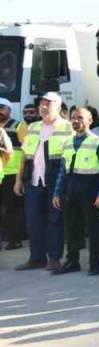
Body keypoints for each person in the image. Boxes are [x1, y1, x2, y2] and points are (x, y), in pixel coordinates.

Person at [13, 92, 72, 271]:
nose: (44, 107)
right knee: (33, 220)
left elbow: (69, 158)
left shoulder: (67, 127)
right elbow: (25, 155)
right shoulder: (33, 127)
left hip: (55, 180)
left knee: (54, 219)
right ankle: (36, 257)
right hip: (33, 180)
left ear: (58, 106)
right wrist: (18, 180)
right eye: (42, 104)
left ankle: (54, 258)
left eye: (48, 104)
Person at [51, 106, 99, 275]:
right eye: (74, 117)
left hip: (90, 189)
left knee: (93, 228)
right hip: (71, 188)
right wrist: (57, 192)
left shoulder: (98, 143)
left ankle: (94, 264)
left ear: (90, 121)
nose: (76, 120)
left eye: (80, 117)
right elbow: (63, 170)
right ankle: (72, 261)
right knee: (71, 228)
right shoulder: (68, 142)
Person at [0, 98, 24, 251]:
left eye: (2, 108)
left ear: (9, 109)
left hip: (12, 172)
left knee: (12, 208)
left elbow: (25, 150)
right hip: (1, 172)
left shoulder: (19, 126)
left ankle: (15, 239)